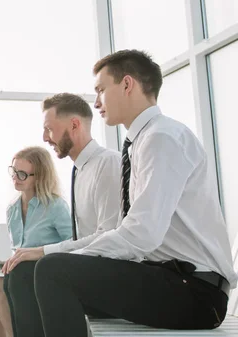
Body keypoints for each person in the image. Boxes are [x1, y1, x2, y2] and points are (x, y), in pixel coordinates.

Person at [23, 49, 238, 337]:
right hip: (167, 278)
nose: (97, 102)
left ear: (127, 85)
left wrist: (80, 258)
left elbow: (141, 233)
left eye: (101, 90)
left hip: (197, 292)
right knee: (33, 275)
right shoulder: (141, 142)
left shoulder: (162, 138)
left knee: (53, 271)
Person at [1, 94, 121, 329]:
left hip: (109, 272)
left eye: (49, 129)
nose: (45, 138)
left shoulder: (107, 164)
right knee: (15, 275)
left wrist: (42, 251)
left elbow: (109, 237)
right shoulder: (80, 170)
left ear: (74, 125)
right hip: (89, 267)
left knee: (29, 272)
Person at [0, 146, 72, 337]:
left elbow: (72, 244)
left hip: (44, 271)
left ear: (39, 176)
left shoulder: (55, 206)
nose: (15, 178)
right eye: (13, 171)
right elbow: (18, 248)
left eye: (22, 174)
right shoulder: (13, 209)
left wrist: (37, 253)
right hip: (20, 271)